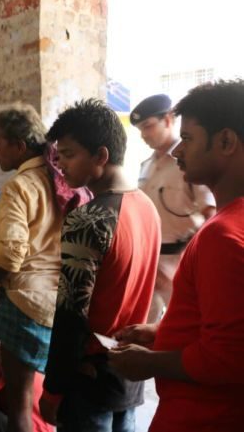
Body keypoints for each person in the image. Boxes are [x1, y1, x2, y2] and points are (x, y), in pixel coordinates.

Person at [109, 80, 244, 431]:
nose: (178, 150)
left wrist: (151, 363)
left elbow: (228, 358)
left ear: (226, 142)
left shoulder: (221, 236)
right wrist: (163, 332)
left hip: (202, 415)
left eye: (189, 139)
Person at [39, 99, 160, 432]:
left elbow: (71, 314)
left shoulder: (90, 219)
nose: (60, 164)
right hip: (127, 369)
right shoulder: (146, 206)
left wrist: (53, 387)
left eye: (68, 154)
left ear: (101, 156)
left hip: (89, 376)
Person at [0, 105, 65, 432]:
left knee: (20, 404)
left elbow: (10, 254)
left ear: (20, 146)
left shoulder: (20, 186)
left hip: (26, 303)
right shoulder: (61, 178)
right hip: (59, 301)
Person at [130, 94, 215, 322]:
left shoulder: (189, 163)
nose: (144, 134)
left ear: (168, 120)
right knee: (143, 324)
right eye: (140, 129)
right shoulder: (147, 166)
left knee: (185, 323)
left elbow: (211, 215)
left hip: (179, 263)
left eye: (148, 126)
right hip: (149, 260)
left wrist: (187, 256)